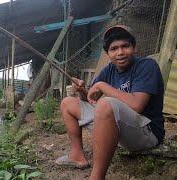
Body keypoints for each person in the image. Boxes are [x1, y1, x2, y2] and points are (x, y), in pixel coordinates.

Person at [55, 25, 165, 180]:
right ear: (108, 53)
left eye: (125, 46)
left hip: (146, 132)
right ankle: (77, 155)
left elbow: (136, 105)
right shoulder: (109, 70)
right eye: (114, 49)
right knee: (67, 103)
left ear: (133, 47)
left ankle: (96, 177)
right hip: (118, 128)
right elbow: (91, 98)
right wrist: (81, 91)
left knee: (106, 104)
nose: (120, 52)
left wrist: (102, 86)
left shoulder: (146, 66)